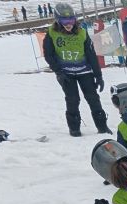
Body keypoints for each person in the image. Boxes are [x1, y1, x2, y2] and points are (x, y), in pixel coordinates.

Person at [43, 3, 110, 137]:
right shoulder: (52, 34)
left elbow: (91, 55)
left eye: (71, 20)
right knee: (73, 100)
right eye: (64, 21)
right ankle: (74, 129)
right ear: (58, 20)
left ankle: (102, 126)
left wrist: (98, 76)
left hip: (84, 71)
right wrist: (58, 72)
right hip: (66, 73)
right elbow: (48, 55)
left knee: (93, 98)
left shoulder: (82, 33)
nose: (69, 24)